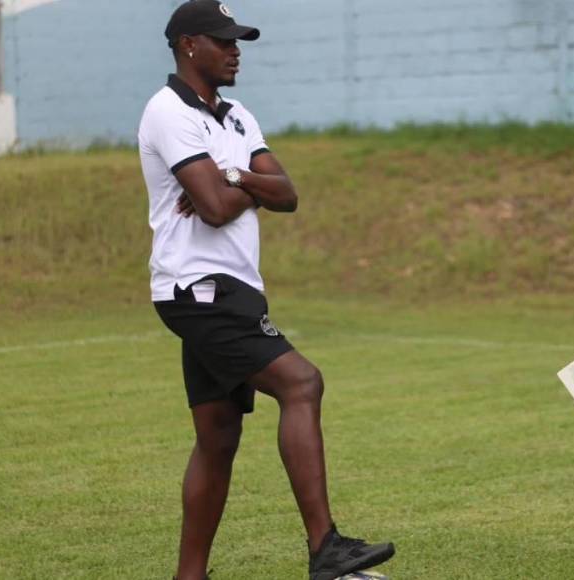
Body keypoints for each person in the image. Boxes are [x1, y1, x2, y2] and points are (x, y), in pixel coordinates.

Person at [137, 2, 395, 579]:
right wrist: (242, 184)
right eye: (224, 40)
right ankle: (325, 545)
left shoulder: (235, 117)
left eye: (240, 41)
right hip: (201, 289)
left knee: (218, 435)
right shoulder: (167, 111)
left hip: (232, 289)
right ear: (187, 45)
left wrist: (233, 175)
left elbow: (288, 194)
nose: (236, 50)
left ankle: (189, 575)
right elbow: (214, 209)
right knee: (302, 382)